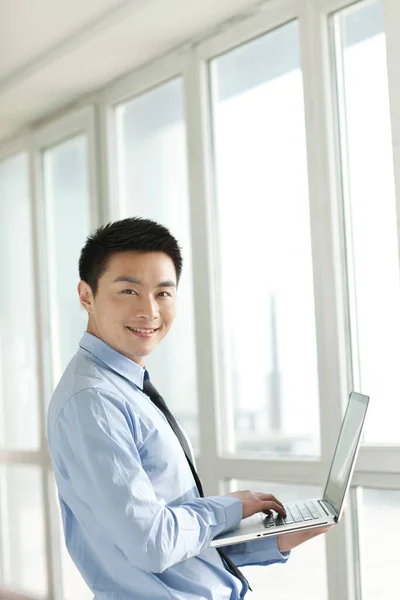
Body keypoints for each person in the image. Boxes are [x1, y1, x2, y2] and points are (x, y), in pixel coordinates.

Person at [47, 217, 331, 599]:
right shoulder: (93, 401)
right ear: (86, 295)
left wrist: (280, 537)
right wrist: (228, 507)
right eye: (129, 291)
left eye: (163, 293)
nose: (149, 311)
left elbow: (177, 548)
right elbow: (152, 544)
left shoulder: (126, 387)